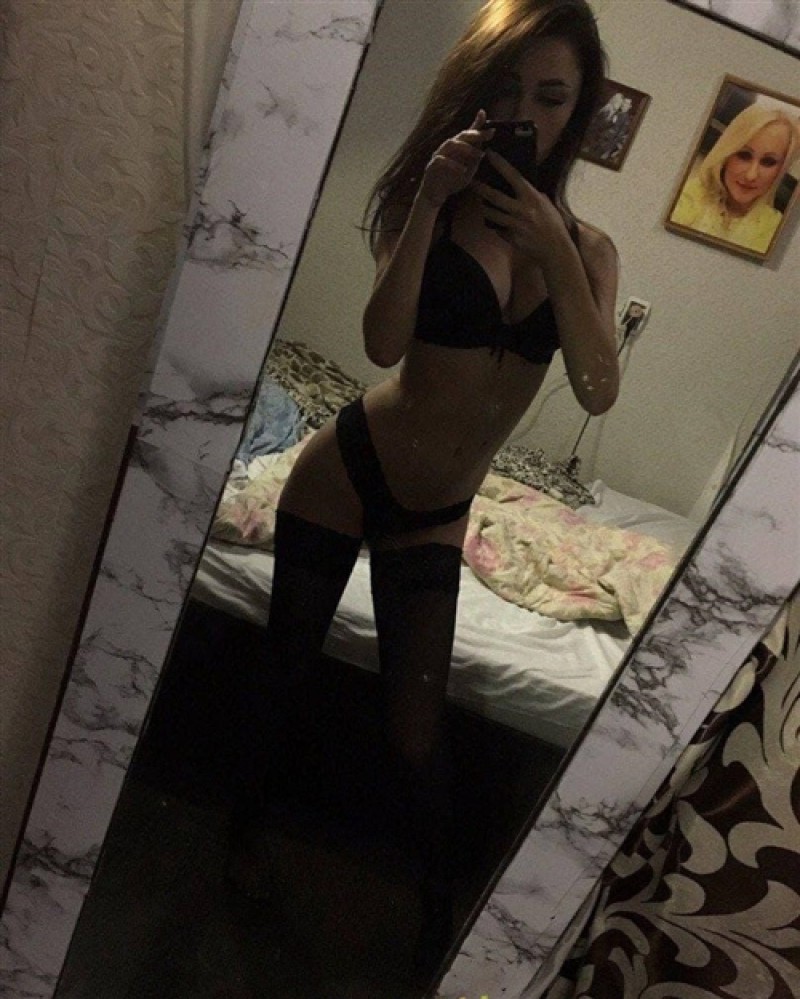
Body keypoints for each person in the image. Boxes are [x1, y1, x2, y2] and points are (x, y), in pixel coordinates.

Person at [227, 0, 620, 977]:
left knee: (414, 732)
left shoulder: (590, 252)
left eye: (551, 96)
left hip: (436, 513)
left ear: (578, 111)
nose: (525, 113)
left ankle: (441, 913)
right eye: (507, 90)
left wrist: (555, 253)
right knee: (282, 675)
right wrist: (433, 206)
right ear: (477, 92)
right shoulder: (423, 200)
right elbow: (378, 344)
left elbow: (596, 387)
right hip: (344, 469)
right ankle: (239, 838)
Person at [670, 103, 800, 254]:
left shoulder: (779, 232)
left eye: (768, 162)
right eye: (744, 155)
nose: (751, 175)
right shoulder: (684, 197)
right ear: (727, 153)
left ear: (781, 169)